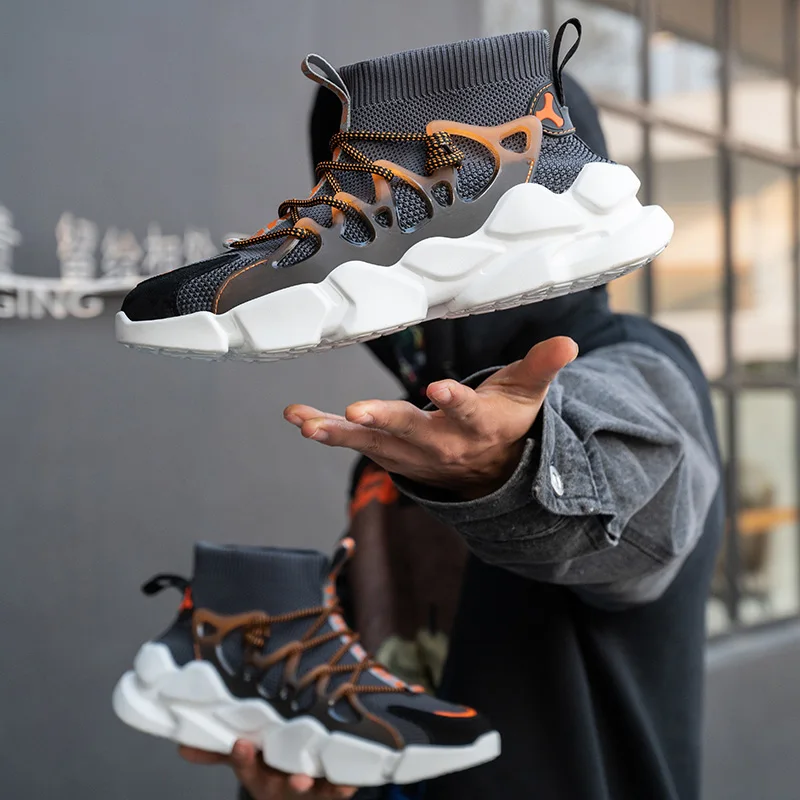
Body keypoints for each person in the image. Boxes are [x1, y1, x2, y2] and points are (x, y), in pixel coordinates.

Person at [178, 74, 723, 800]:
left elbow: (645, 506)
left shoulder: (636, 364)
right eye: (351, 197)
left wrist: (517, 465)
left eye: (404, 190)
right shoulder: (410, 428)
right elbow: (388, 670)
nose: (365, 237)